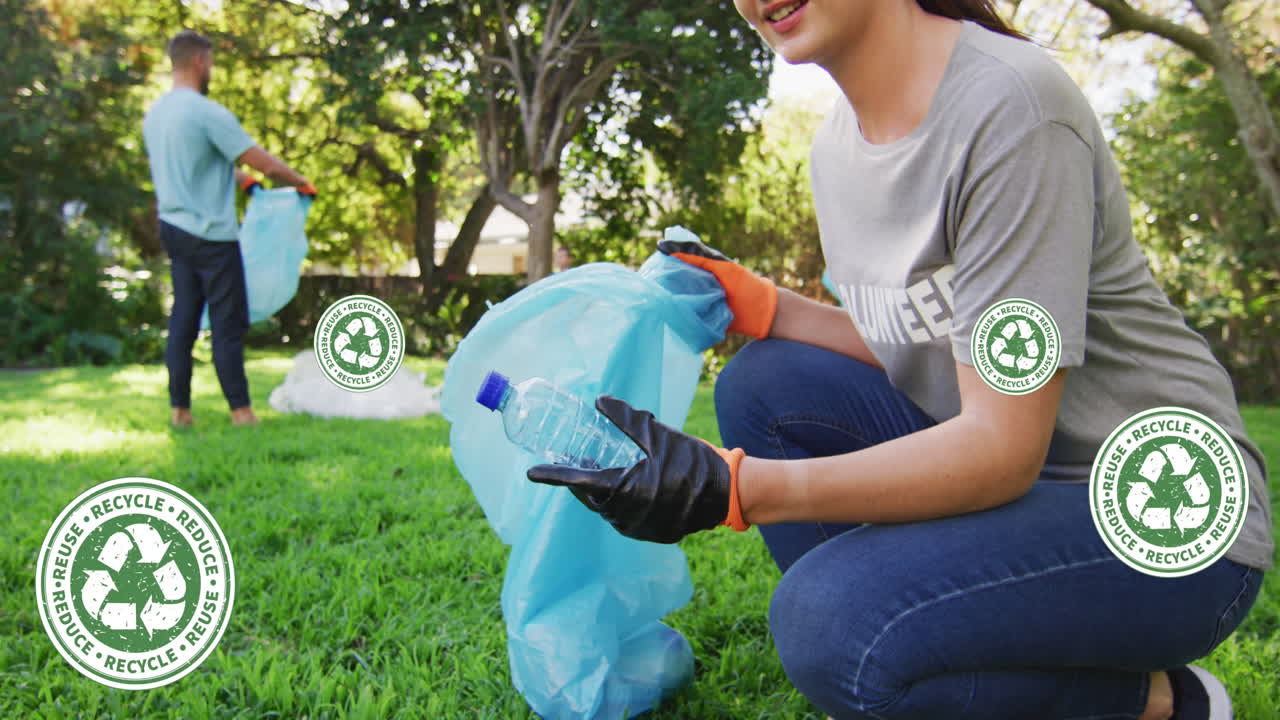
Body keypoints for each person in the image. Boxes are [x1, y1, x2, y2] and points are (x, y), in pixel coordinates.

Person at [526, 1, 1272, 719]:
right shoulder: (835, 148)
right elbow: (929, 341)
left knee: (830, 624)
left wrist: (737, 488)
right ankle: (912, 643)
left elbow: (1003, 448)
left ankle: (1157, 700)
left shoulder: (1008, 108)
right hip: (1027, 473)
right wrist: (767, 308)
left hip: (1165, 517)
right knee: (764, 383)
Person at [143, 29, 315, 427]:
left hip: (173, 228)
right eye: (212, 62)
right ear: (200, 61)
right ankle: (241, 412)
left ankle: (180, 411)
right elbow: (266, 163)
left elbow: (203, 163)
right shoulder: (205, 112)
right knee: (227, 323)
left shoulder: (157, 115)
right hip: (211, 236)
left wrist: (243, 183)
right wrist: (302, 183)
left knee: (183, 320)